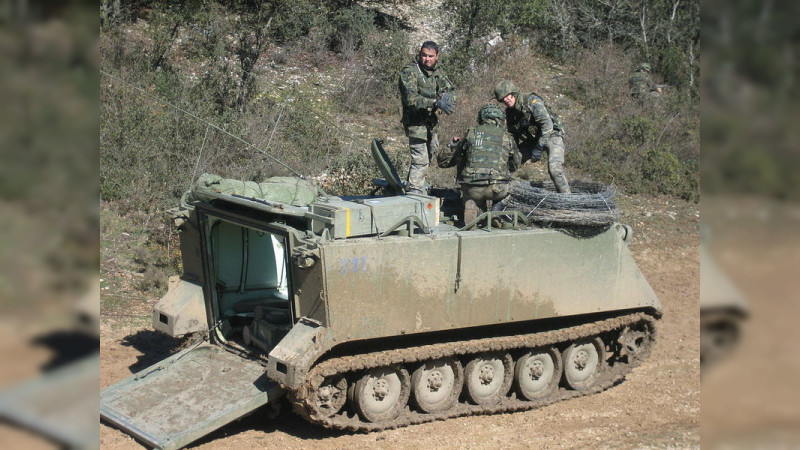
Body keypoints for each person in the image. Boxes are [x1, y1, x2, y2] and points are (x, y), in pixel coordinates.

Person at [437, 104, 521, 225]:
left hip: (471, 188)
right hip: (496, 189)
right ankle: (496, 212)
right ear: (500, 119)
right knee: (514, 187)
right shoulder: (507, 137)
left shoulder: (470, 134)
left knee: (475, 195)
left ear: (481, 118)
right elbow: (515, 164)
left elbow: (445, 162)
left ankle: (476, 210)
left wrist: (451, 145)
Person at [398, 41, 457, 194]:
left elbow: (450, 89)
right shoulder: (410, 71)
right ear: (419, 54)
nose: (427, 59)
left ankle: (412, 184)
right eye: (424, 55)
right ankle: (414, 192)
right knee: (420, 159)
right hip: (415, 123)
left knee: (431, 154)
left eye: (431, 56)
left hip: (431, 124)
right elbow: (411, 99)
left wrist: (448, 98)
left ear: (437, 56)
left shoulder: (437, 72)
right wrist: (435, 102)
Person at [493, 80, 571, 193]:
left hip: (552, 135)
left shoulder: (532, 101)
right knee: (509, 163)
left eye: (508, 96)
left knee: (555, 169)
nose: (506, 100)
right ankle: (499, 192)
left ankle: (566, 198)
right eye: (503, 99)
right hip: (532, 140)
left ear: (514, 93)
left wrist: (539, 147)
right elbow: (512, 135)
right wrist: (509, 152)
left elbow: (547, 125)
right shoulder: (510, 113)